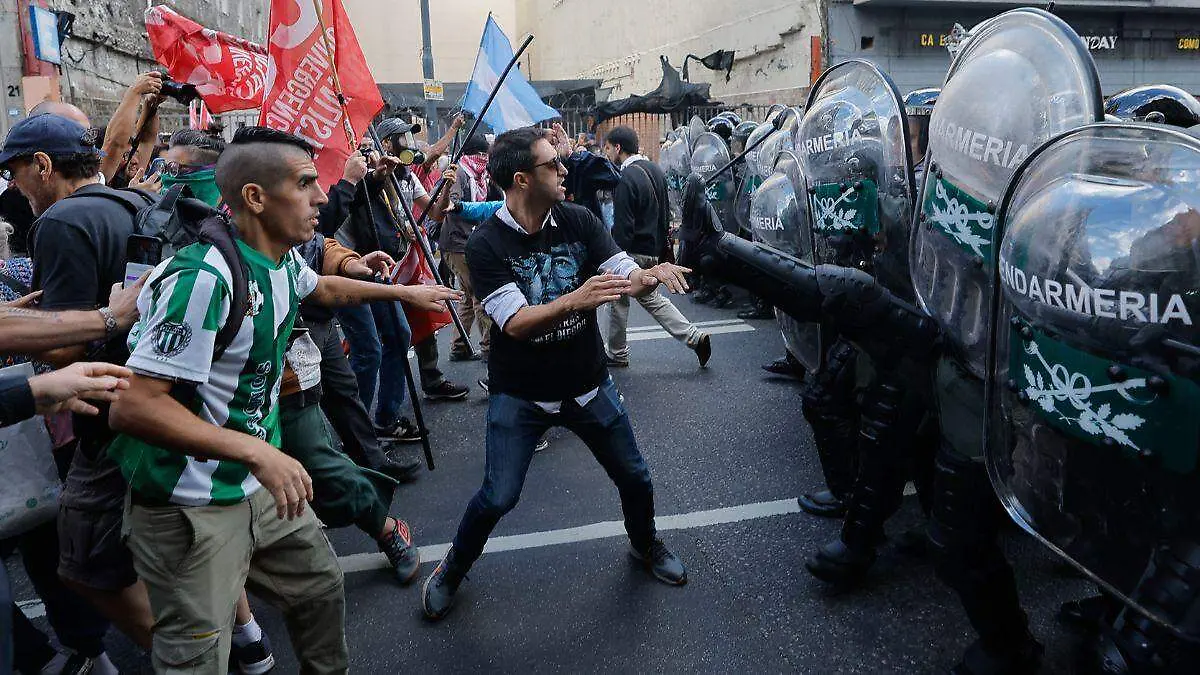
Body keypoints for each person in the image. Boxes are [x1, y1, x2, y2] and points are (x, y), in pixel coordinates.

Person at [107, 126, 459, 673]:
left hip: (261, 490)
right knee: (197, 655)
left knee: (320, 588)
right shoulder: (204, 278)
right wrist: (259, 452)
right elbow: (134, 405)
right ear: (254, 197)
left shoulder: (279, 260)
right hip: (190, 506)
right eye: (306, 183)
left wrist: (404, 292)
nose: (323, 197)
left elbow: (320, 287)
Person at [421, 127, 690, 621]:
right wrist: (577, 297)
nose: (564, 170)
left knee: (635, 478)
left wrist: (645, 276)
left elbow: (620, 267)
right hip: (520, 396)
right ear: (521, 179)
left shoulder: (578, 218)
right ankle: (453, 567)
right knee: (498, 496)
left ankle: (646, 545)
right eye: (553, 165)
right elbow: (516, 323)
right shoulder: (485, 245)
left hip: (588, 385)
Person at [0, 112, 160, 651]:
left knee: (82, 559)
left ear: (43, 166)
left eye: (16, 173)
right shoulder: (134, 203)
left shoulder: (61, 222)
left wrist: (18, 335)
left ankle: (184, 657)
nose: (15, 191)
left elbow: (65, 346)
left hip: (98, 411)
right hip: (152, 398)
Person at [601, 126, 711, 368]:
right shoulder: (656, 170)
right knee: (652, 300)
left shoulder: (624, 177)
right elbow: (665, 214)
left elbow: (623, 224)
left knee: (617, 301)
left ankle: (617, 353)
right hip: (653, 250)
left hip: (631, 253)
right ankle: (694, 337)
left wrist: (617, 255)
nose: (606, 153)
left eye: (607, 148)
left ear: (618, 148)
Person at [442, 133, 494, 361]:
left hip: (468, 242)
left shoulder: (481, 176)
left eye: (485, 154)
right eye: (479, 154)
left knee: (466, 296)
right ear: (468, 154)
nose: (482, 158)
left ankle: (459, 346)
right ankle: (490, 348)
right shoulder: (461, 174)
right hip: (457, 243)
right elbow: (452, 206)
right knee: (480, 294)